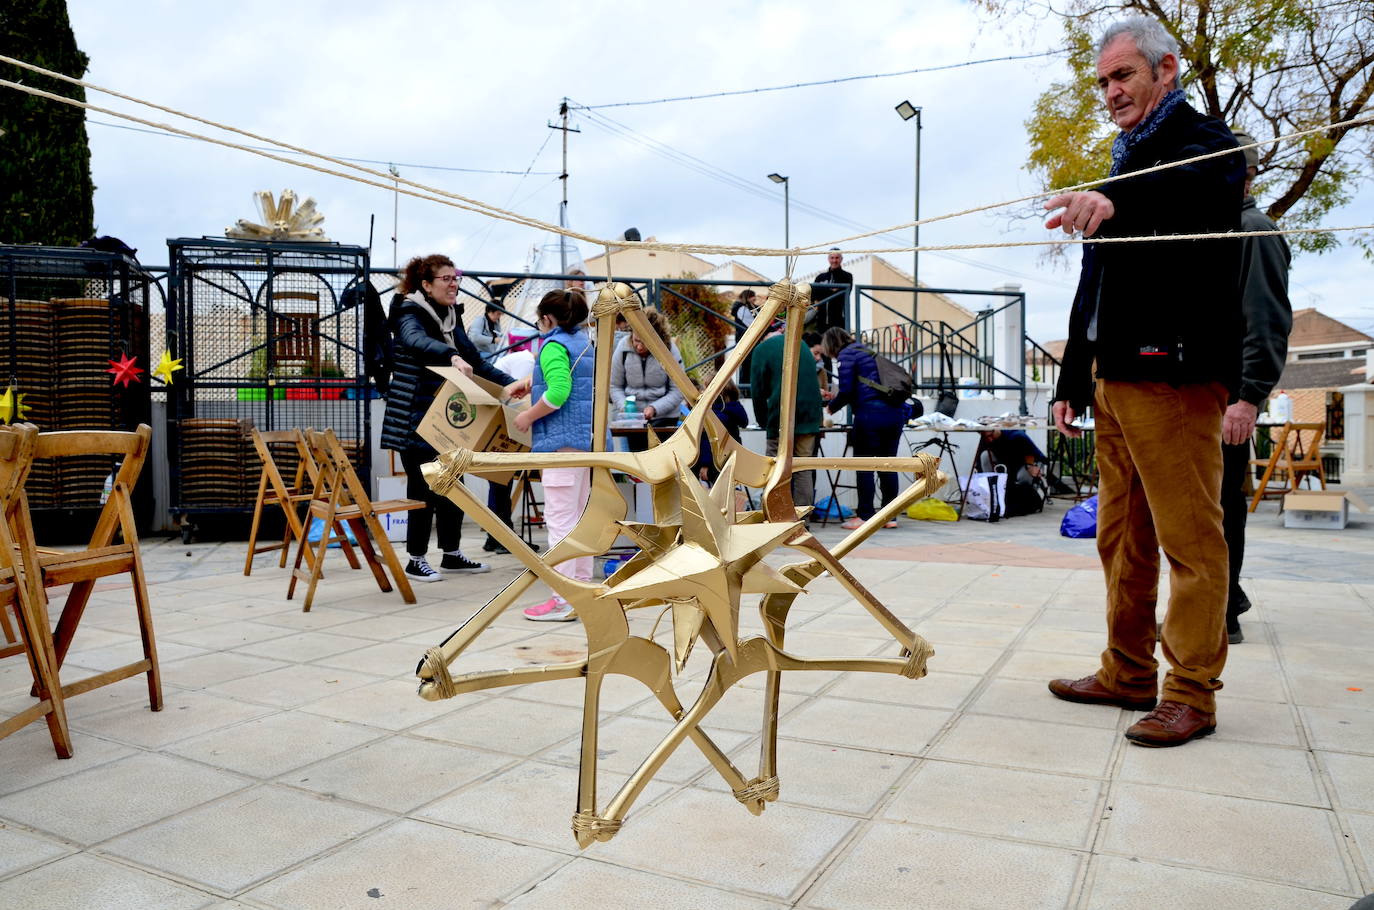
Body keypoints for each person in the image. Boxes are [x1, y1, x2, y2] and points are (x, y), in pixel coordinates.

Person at [1044, 16, 1246, 748]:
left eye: (1122, 75)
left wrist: (1120, 201)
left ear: (1165, 70)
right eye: (1102, 81)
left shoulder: (1206, 147)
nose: (1110, 92)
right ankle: (1128, 671)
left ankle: (1190, 690)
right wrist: (1072, 375)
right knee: (1120, 537)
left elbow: (1199, 191)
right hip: (1113, 375)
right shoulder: (1122, 159)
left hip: (1174, 374)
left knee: (1190, 536)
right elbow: (1095, 279)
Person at [380, 254, 521, 582]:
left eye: (455, 277)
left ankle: (451, 554)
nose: (454, 283)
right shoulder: (408, 311)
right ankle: (416, 559)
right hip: (413, 415)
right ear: (426, 285)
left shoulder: (450, 317)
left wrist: (509, 384)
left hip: (445, 416)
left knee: (454, 485)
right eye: (446, 279)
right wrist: (451, 354)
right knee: (423, 486)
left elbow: (477, 361)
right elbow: (416, 341)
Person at [1221, 130, 1292, 644]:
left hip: (1228, 402)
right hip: (1201, 397)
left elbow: (1266, 324)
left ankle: (1223, 613)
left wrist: (1248, 399)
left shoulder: (1254, 230)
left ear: (1244, 175)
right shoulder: (1218, 228)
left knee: (1222, 507)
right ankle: (1226, 597)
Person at [507, 289, 595, 622]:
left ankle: (563, 600)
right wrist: (533, 382)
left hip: (558, 443)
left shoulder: (552, 345)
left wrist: (528, 416)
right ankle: (581, 590)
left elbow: (559, 391)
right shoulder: (584, 344)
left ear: (547, 319)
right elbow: (574, 379)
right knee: (579, 520)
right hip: (583, 444)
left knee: (559, 523)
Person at [821, 327, 905, 530]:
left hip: (870, 416)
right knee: (888, 464)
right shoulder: (865, 351)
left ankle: (865, 516)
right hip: (895, 414)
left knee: (865, 465)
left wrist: (832, 407)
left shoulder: (846, 355)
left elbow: (848, 389)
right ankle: (890, 516)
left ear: (831, 344)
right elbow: (865, 386)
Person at [750, 321, 823, 514]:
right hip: (810, 416)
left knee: (775, 468)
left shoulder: (760, 350)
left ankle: (776, 515)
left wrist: (763, 422)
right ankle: (802, 518)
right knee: (803, 467)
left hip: (781, 416)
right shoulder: (801, 344)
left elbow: (757, 393)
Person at [483, 342, 539, 556]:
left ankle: (495, 537)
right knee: (499, 481)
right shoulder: (527, 362)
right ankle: (500, 537)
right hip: (499, 421)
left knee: (499, 481)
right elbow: (518, 398)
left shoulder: (522, 359)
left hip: (498, 418)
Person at [609, 309, 684, 451]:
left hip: (664, 418)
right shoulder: (622, 349)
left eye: (645, 342)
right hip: (633, 419)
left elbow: (678, 390)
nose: (639, 346)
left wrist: (654, 408)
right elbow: (615, 386)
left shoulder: (670, 351)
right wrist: (624, 406)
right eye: (636, 340)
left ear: (657, 339)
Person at [698, 378, 750, 483]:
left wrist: (705, 465)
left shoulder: (716, 415)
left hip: (715, 462)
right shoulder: (735, 409)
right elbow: (744, 422)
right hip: (733, 458)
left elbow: (708, 441)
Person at [812, 249, 853, 333]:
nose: (834, 260)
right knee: (822, 345)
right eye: (832, 258)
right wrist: (832, 291)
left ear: (841, 259)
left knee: (838, 345)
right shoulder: (820, 277)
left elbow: (843, 294)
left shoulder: (847, 276)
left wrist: (823, 291)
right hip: (821, 320)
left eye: (837, 258)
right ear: (828, 259)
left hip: (839, 320)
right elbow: (814, 295)